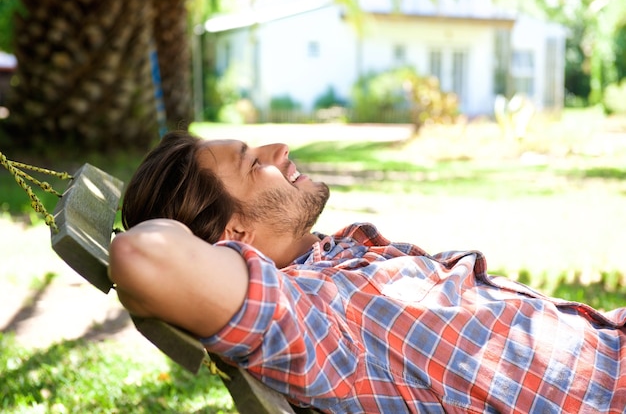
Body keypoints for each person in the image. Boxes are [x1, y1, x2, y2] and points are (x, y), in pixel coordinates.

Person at [109, 130, 626, 413]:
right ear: (234, 234)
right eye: (252, 163)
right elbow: (144, 256)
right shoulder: (309, 315)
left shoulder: (337, 259)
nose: (280, 149)